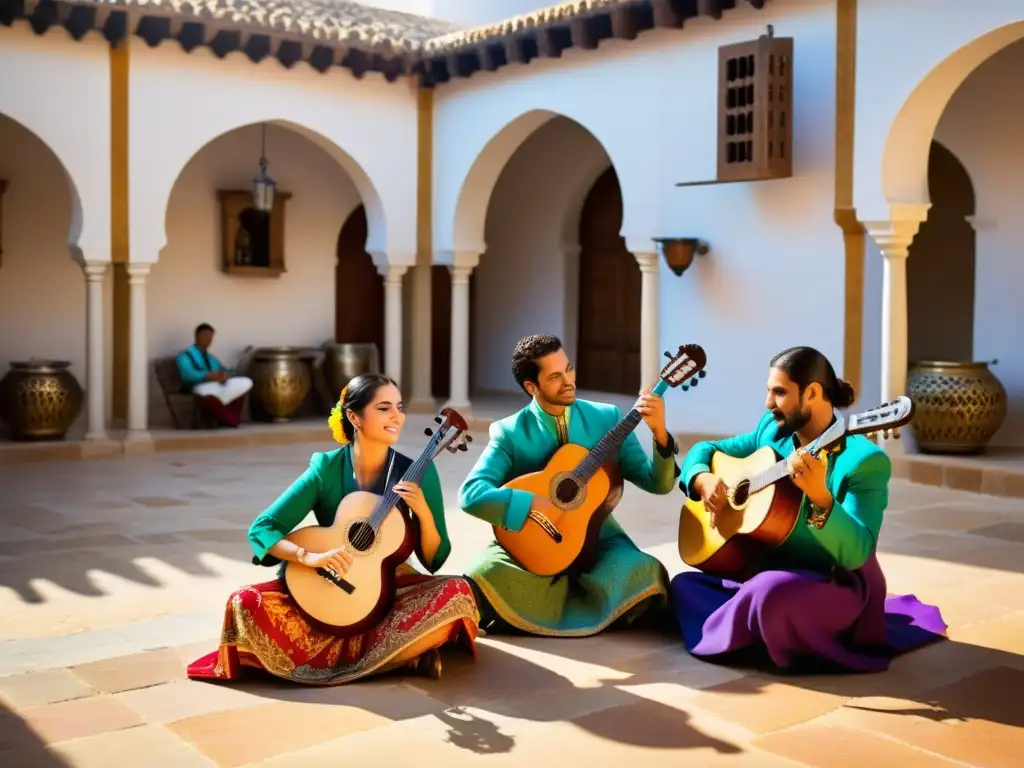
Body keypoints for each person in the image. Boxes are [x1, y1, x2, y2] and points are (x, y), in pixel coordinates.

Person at [187, 374, 479, 685]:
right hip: (325, 584)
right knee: (242, 601)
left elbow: (436, 558)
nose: (397, 416)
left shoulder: (420, 472)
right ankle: (400, 654)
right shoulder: (325, 469)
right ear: (354, 416)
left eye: (399, 406)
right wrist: (308, 556)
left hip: (387, 587)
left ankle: (355, 656)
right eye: (383, 408)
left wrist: (423, 514)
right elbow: (263, 528)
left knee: (458, 592)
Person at [671, 346, 947, 673]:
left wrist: (821, 498)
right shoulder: (772, 431)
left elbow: (859, 551)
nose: (768, 403)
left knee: (769, 594)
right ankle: (757, 628)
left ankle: (747, 627)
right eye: (768, 391)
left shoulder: (863, 462)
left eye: (779, 392)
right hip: (768, 566)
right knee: (684, 584)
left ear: (812, 393)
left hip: (833, 582)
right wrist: (701, 478)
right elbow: (707, 449)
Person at [458, 334, 680, 637]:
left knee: (647, 571)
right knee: (481, 574)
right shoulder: (509, 432)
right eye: (554, 376)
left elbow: (657, 483)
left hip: (599, 542)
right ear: (531, 387)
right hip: (534, 544)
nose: (568, 381)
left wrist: (660, 436)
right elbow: (472, 494)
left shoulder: (607, 418)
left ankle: (529, 614)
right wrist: (531, 505)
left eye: (569, 369)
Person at [175, 323, 253, 428]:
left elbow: (222, 370)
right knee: (209, 397)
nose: (209, 340)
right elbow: (187, 375)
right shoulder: (184, 356)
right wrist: (207, 375)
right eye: (206, 336)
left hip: (217, 387)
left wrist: (229, 374)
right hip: (199, 387)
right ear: (198, 336)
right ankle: (230, 419)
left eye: (211, 337)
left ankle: (226, 416)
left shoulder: (211, 358)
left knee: (243, 384)